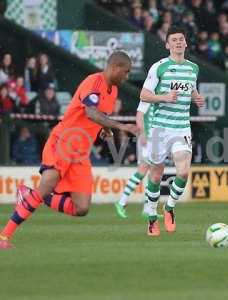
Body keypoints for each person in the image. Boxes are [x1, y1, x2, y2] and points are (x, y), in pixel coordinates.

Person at [0, 51, 138, 249]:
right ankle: (4, 236)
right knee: (47, 184)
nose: (126, 77)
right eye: (126, 72)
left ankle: (30, 194)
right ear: (115, 67)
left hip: (81, 152)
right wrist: (119, 126)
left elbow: (99, 115)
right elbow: (90, 112)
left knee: (81, 208)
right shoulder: (94, 82)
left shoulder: (113, 91)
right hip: (64, 142)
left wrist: (105, 129)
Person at [139, 26, 204, 236]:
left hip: (181, 127)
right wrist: (164, 97)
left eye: (181, 39)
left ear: (185, 43)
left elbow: (191, 88)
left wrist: (196, 97)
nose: (178, 42)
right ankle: (151, 217)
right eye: (174, 40)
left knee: (184, 171)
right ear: (167, 44)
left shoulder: (193, 68)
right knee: (156, 175)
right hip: (159, 128)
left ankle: (169, 208)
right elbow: (144, 95)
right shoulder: (159, 67)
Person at [114, 100, 158, 219]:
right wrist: (143, 133)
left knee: (151, 173)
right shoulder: (148, 97)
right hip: (147, 139)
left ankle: (147, 209)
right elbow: (140, 116)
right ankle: (122, 202)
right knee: (143, 171)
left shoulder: (159, 97)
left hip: (154, 139)